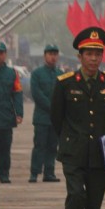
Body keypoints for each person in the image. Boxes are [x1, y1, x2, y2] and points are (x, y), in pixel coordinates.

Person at [51, 28, 105, 209]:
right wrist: (70, 140)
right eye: (89, 53)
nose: (94, 58)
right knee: (76, 197)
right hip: (73, 152)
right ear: (79, 56)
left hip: (99, 153)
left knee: (93, 202)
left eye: (98, 53)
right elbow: (57, 118)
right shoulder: (65, 84)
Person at [30, 43, 63, 183]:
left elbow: (64, 94)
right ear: (45, 56)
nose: (52, 57)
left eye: (55, 54)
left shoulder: (61, 75)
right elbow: (36, 94)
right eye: (50, 54)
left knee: (52, 146)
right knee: (39, 146)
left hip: (55, 119)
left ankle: (49, 173)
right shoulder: (37, 74)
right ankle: (34, 173)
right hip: (42, 117)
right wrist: (52, 107)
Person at [0, 40, 24, 184]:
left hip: (6, 116)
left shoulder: (12, 73)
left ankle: (4, 174)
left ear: (5, 54)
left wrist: (19, 113)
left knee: (5, 148)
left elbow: (17, 93)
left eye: (1, 53)